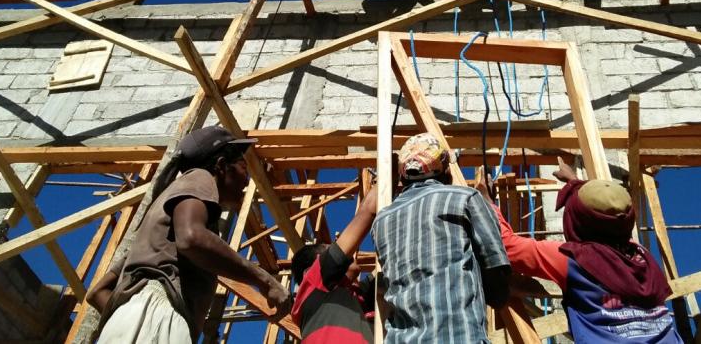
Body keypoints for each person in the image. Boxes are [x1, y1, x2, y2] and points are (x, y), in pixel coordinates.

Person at [87, 126, 291, 343]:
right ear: (221, 166)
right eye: (243, 167)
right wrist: (265, 281)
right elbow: (191, 238)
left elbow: (97, 292)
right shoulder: (199, 177)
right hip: (160, 314)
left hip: (134, 319)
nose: (247, 180)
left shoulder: (158, 226)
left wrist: (125, 321)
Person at [477, 158, 683, 343]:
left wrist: (487, 204)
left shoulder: (574, 260)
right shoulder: (641, 257)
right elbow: (606, 214)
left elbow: (508, 247)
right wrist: (575, 182)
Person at [372, 133, 511, 342]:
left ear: (402, 178)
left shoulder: (382, 221)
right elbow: (496, 280)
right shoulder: (465, 198)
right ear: (446, 170)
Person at [290, 183, 379, 343]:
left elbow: (389, 267)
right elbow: (368, 211)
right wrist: (389, 170)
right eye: (329, 249)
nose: (339, 245)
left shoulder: (355, 297)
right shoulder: (315, 283)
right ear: (309, 272)